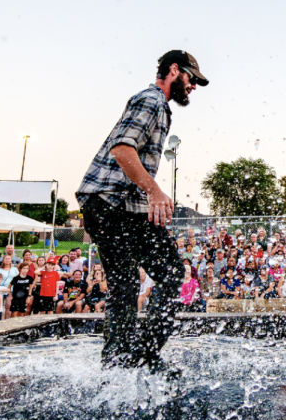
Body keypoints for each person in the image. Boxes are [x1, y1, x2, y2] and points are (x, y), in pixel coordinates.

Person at [77, 49, 208, 370]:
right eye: (191, 79)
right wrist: (154, 191)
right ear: (174, 70)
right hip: (111, 202)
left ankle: (118, 363)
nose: (192, 87)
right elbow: (122, 148)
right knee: (171, 272)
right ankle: (144, 355)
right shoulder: (151, 101)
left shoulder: (156, 105)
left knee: (125, 283)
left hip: (111, 203)